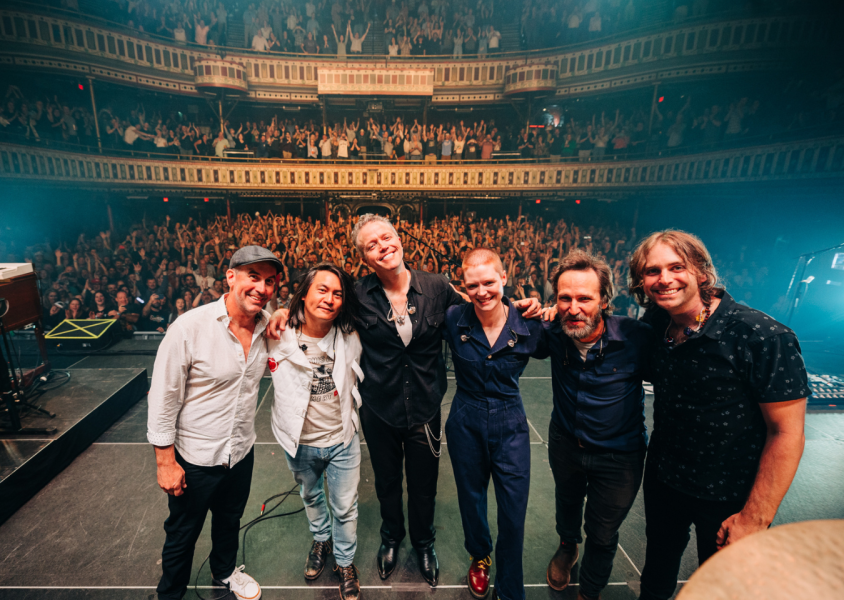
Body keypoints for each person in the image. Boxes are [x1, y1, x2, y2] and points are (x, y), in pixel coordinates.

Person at [267, 215, 540, 589]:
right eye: (371, 245)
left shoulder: (437, 287)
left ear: (399, 238)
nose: (383, 246)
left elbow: (481, 304)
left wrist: (528, 308)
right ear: (364, 258)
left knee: (424, 485)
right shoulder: (358, 294)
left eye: (387, 237)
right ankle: (391, 538)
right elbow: (320, 310)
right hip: (379, 409)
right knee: (387, 483)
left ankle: (424, 544)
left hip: (425, 409)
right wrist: (287, 312)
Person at [628, 230, 809, 600]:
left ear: (701, 271)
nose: (664, 279)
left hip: (730, 494)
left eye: (676, 267)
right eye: (652, 271)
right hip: (665, 480)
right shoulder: (656, 325)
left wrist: (755, 517)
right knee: (657, 571)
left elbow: (787, 433)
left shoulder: (761, 336)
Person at [147, 246, 283, 600]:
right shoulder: (189, 328)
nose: (261, 288)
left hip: (240, 451)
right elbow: (163, 397)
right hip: (195, 458)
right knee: (182, 533)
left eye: (269, 281)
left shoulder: (268, 326)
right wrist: (165, 461)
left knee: (229, 520)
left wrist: (284, 313)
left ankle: (224, 573)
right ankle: (170, 595)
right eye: (253, 277)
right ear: (230, 277)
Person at [539, 251, 651, 600]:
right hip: (566, 443)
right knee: (567, 503)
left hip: (620, 456)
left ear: (605, 300)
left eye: (584, 298)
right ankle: (567, 546)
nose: (573, 308)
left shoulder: (637, 338)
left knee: (603, 534)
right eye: (565, 298)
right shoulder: (554, 332)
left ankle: (589, 592)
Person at [443, 248, 545, 600]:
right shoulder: (453, 318)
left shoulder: (530, 323)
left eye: (489, 282)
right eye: (473, 286)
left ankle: (510, 588)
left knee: (513, 513)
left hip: (510, 421)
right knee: (471, 500)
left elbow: (577, 326)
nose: (482, 291)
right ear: (464, 287)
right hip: (465, 419)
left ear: (504, 278)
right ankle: (480, 556)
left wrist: (550, 308)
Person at [268, 264, 364, 600]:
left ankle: (345, 561)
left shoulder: (352, 333)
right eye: (322, 289)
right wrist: (280, 311)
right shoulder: (276, 333)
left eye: (337, 293)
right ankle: (321, 539)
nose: (330, 298)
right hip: (299, 442)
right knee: (310, 496)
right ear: (304, 293)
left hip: (342, 439)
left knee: (345, 506)